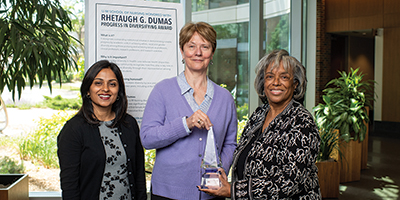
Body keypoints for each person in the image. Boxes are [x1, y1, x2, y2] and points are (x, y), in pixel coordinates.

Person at [200, 49, 321, 199]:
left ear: (295, 84)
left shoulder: (302, 122)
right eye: (270, 76)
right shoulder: (259, 114)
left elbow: (290, 181)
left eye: (284, 77)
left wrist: (234, 190)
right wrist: (227, 179)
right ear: (263, 83)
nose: (276, 82)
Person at [140, 22, 237, 200]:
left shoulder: (225, 98)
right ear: (182, 51)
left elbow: (230, 144)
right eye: (191, 46)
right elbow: (147, 138)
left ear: (212, 52)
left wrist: (221, 169)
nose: (198, 53)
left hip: (212, 194)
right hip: (168, 194)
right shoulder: (162, 90)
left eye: (205, 46)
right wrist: (186, 123)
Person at [57, 60, 147, 200]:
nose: (105, 89)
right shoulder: (73, 130)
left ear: (119, 91)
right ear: (88, 89)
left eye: (112, 84)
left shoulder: (129, 124)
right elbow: (69, 187)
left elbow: (139, 174)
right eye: (98, 83)